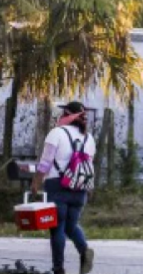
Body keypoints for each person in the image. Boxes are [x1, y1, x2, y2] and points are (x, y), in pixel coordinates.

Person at [32, 101, 96, 274]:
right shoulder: (89, 138)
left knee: (57, 227)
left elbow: (45, 163)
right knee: (71, 225)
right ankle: (84, 251)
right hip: (80, 188)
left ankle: (58, 268)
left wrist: (36, 182)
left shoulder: (56, 133)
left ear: (67, 115)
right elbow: (88, 164)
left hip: (57, 185)